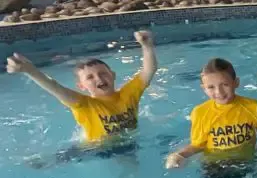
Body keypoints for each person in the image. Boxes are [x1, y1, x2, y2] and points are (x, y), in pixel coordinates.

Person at [6, 31, 158, 143]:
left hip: (128, 142)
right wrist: (30, 70)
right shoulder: (83, 105)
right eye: (90, 77)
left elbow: (148, 70)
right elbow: (55, 88)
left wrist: (147, 46)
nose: (99, 78)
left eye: (103, 73)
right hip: (97, 148)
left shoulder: (128, 94)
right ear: (82, 86)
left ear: (113, 75)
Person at [165, 58, 257, 171]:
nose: (219, 92)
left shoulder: (253, 107)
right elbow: (197, 145)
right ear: (204, 89)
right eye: (211, 87)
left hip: (247, 161)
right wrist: (179, 155)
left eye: (224, 85)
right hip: (215, 165)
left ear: (236, 83)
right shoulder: (200, 113)